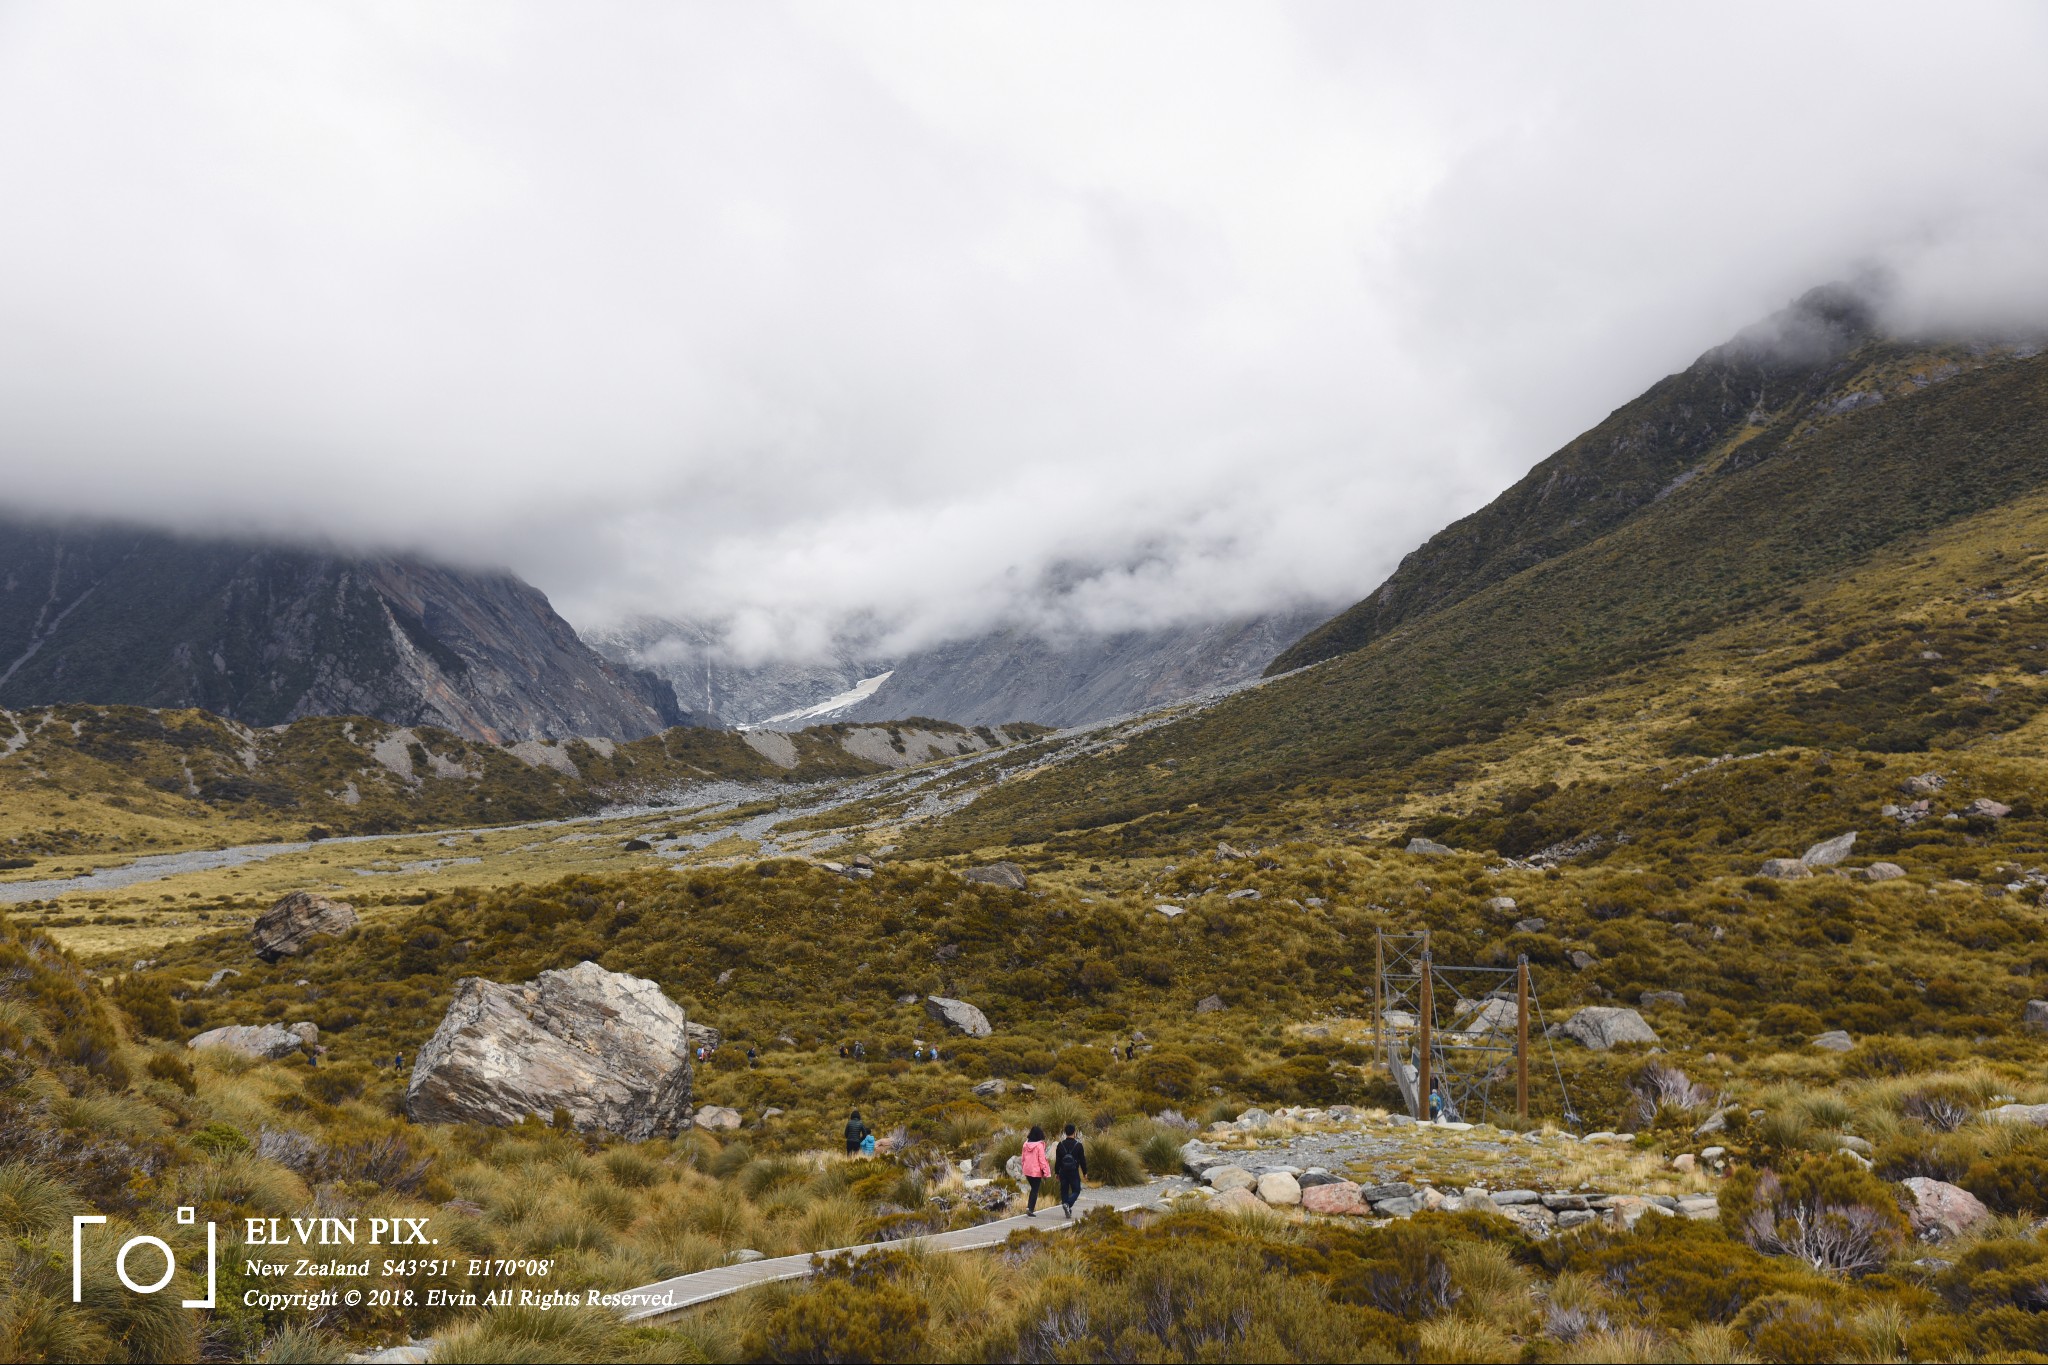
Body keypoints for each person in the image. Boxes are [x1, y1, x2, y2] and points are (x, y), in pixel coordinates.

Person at [1054, 1123, 1087, 1217]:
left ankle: (1067, 1208)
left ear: (1065, 1133)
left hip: (1063, 1171)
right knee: (1076, 1190)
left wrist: (1057, 1172)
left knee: (1064, 1190)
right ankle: (1068, 1204)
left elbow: (1058, 1160)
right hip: (1073, 1171)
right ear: (1074, 1133)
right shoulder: (1078, 1145)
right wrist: (1085, 1172)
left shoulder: (1060, 1145)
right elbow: (1082, 1160)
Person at [1020, 1125, 1052, 1216]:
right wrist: (1046, 1172)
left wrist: (1024, 1167)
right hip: (1036, 1171)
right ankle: (1030, 1209)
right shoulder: (1039, 1146)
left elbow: (1023, 1158)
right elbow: (1042, 1160)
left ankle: (1029, 1208)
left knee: (1033, 1188)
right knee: (1035, 1189)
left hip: (1027, 1170)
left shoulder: (1025, 1144)